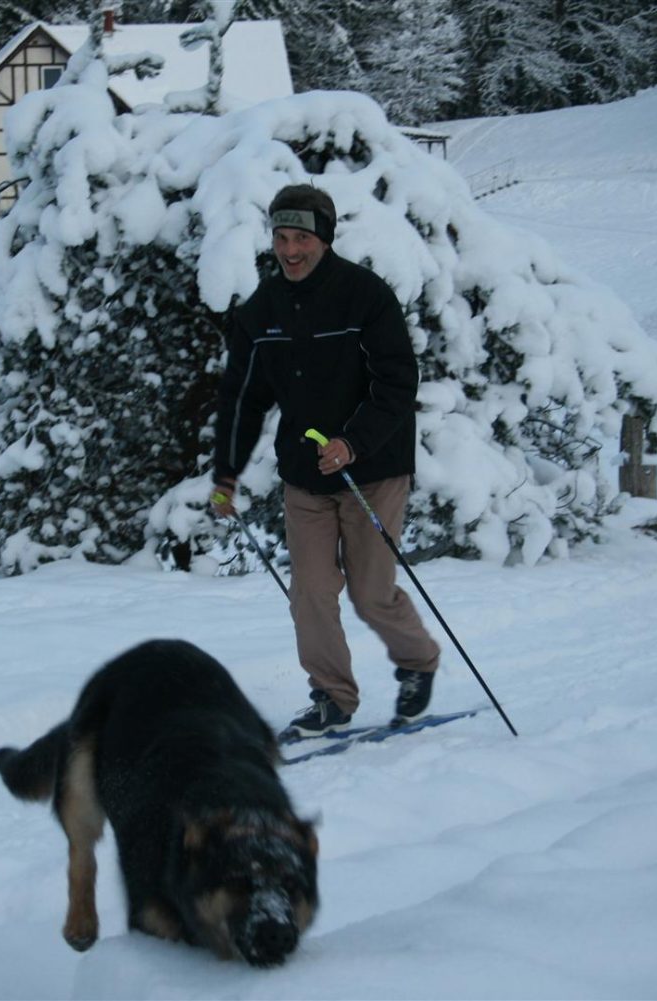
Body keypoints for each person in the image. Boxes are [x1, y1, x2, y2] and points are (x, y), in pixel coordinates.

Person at [210, 183, 440, 736]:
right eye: (282, 237)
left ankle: (417, 662)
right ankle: (332, 698)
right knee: (310, 593)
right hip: (305, 474)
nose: (291, 250)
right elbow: (242, 397)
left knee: (370, 592)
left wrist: (353, 441)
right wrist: (226, 472)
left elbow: (396, 381)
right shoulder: (262, 310)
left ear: (325, 238)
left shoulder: (365, 296)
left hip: (374, 469)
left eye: (303, 238)